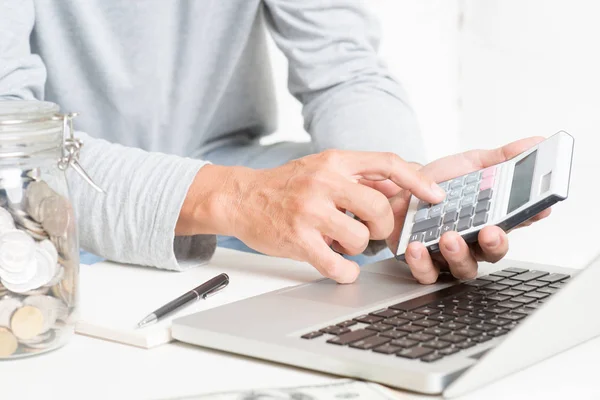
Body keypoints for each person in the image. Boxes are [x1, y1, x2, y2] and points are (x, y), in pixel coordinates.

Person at [0, 1, 549, 284]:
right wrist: (238, 200)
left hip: (232, 205)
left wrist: (394, 190)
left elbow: (344, 69)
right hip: (45, 226)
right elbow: (10, 138)